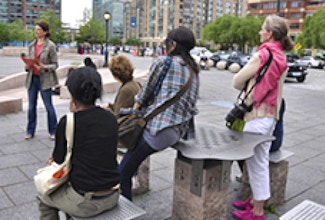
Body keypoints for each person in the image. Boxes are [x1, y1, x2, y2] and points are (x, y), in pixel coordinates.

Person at [119, 26, 200, 201]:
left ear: (173, 44)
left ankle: (126, 212)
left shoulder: (164, 62)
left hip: (158, 131)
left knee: (121, 174)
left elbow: (143, 95)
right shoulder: (194, 71)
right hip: (177, 133)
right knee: (133, 162)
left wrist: (132, 112)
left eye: (166, 43)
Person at [36, 67, 120, 219]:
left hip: (86, 202)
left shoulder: (68, 121)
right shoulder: (110, 117)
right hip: (113, 194)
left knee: (43, 196)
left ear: (72, 94)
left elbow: (60, 159)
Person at [231, 15, 293, 220]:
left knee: (256, 164)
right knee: (260, 162)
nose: (259, 32)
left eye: (262, 29)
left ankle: (257, 212)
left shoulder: (262, 55)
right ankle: (255, 203)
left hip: (256, 115)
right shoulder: (282, 57)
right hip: (271, 116)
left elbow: (237, 82)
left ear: (270, 33)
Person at [24, 21, 58, 141]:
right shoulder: (31, 45)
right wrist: (27, 66)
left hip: (45, 80)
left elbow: (55, 64)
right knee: (31, 106)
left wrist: (44, 67)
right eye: (35, 29)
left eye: (38, 30)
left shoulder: (50, 46)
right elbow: (29, 61)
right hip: (32, 78)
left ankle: (53, 131)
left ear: (45, 32)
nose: (36, 32)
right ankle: (30, 130)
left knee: (49, 106)